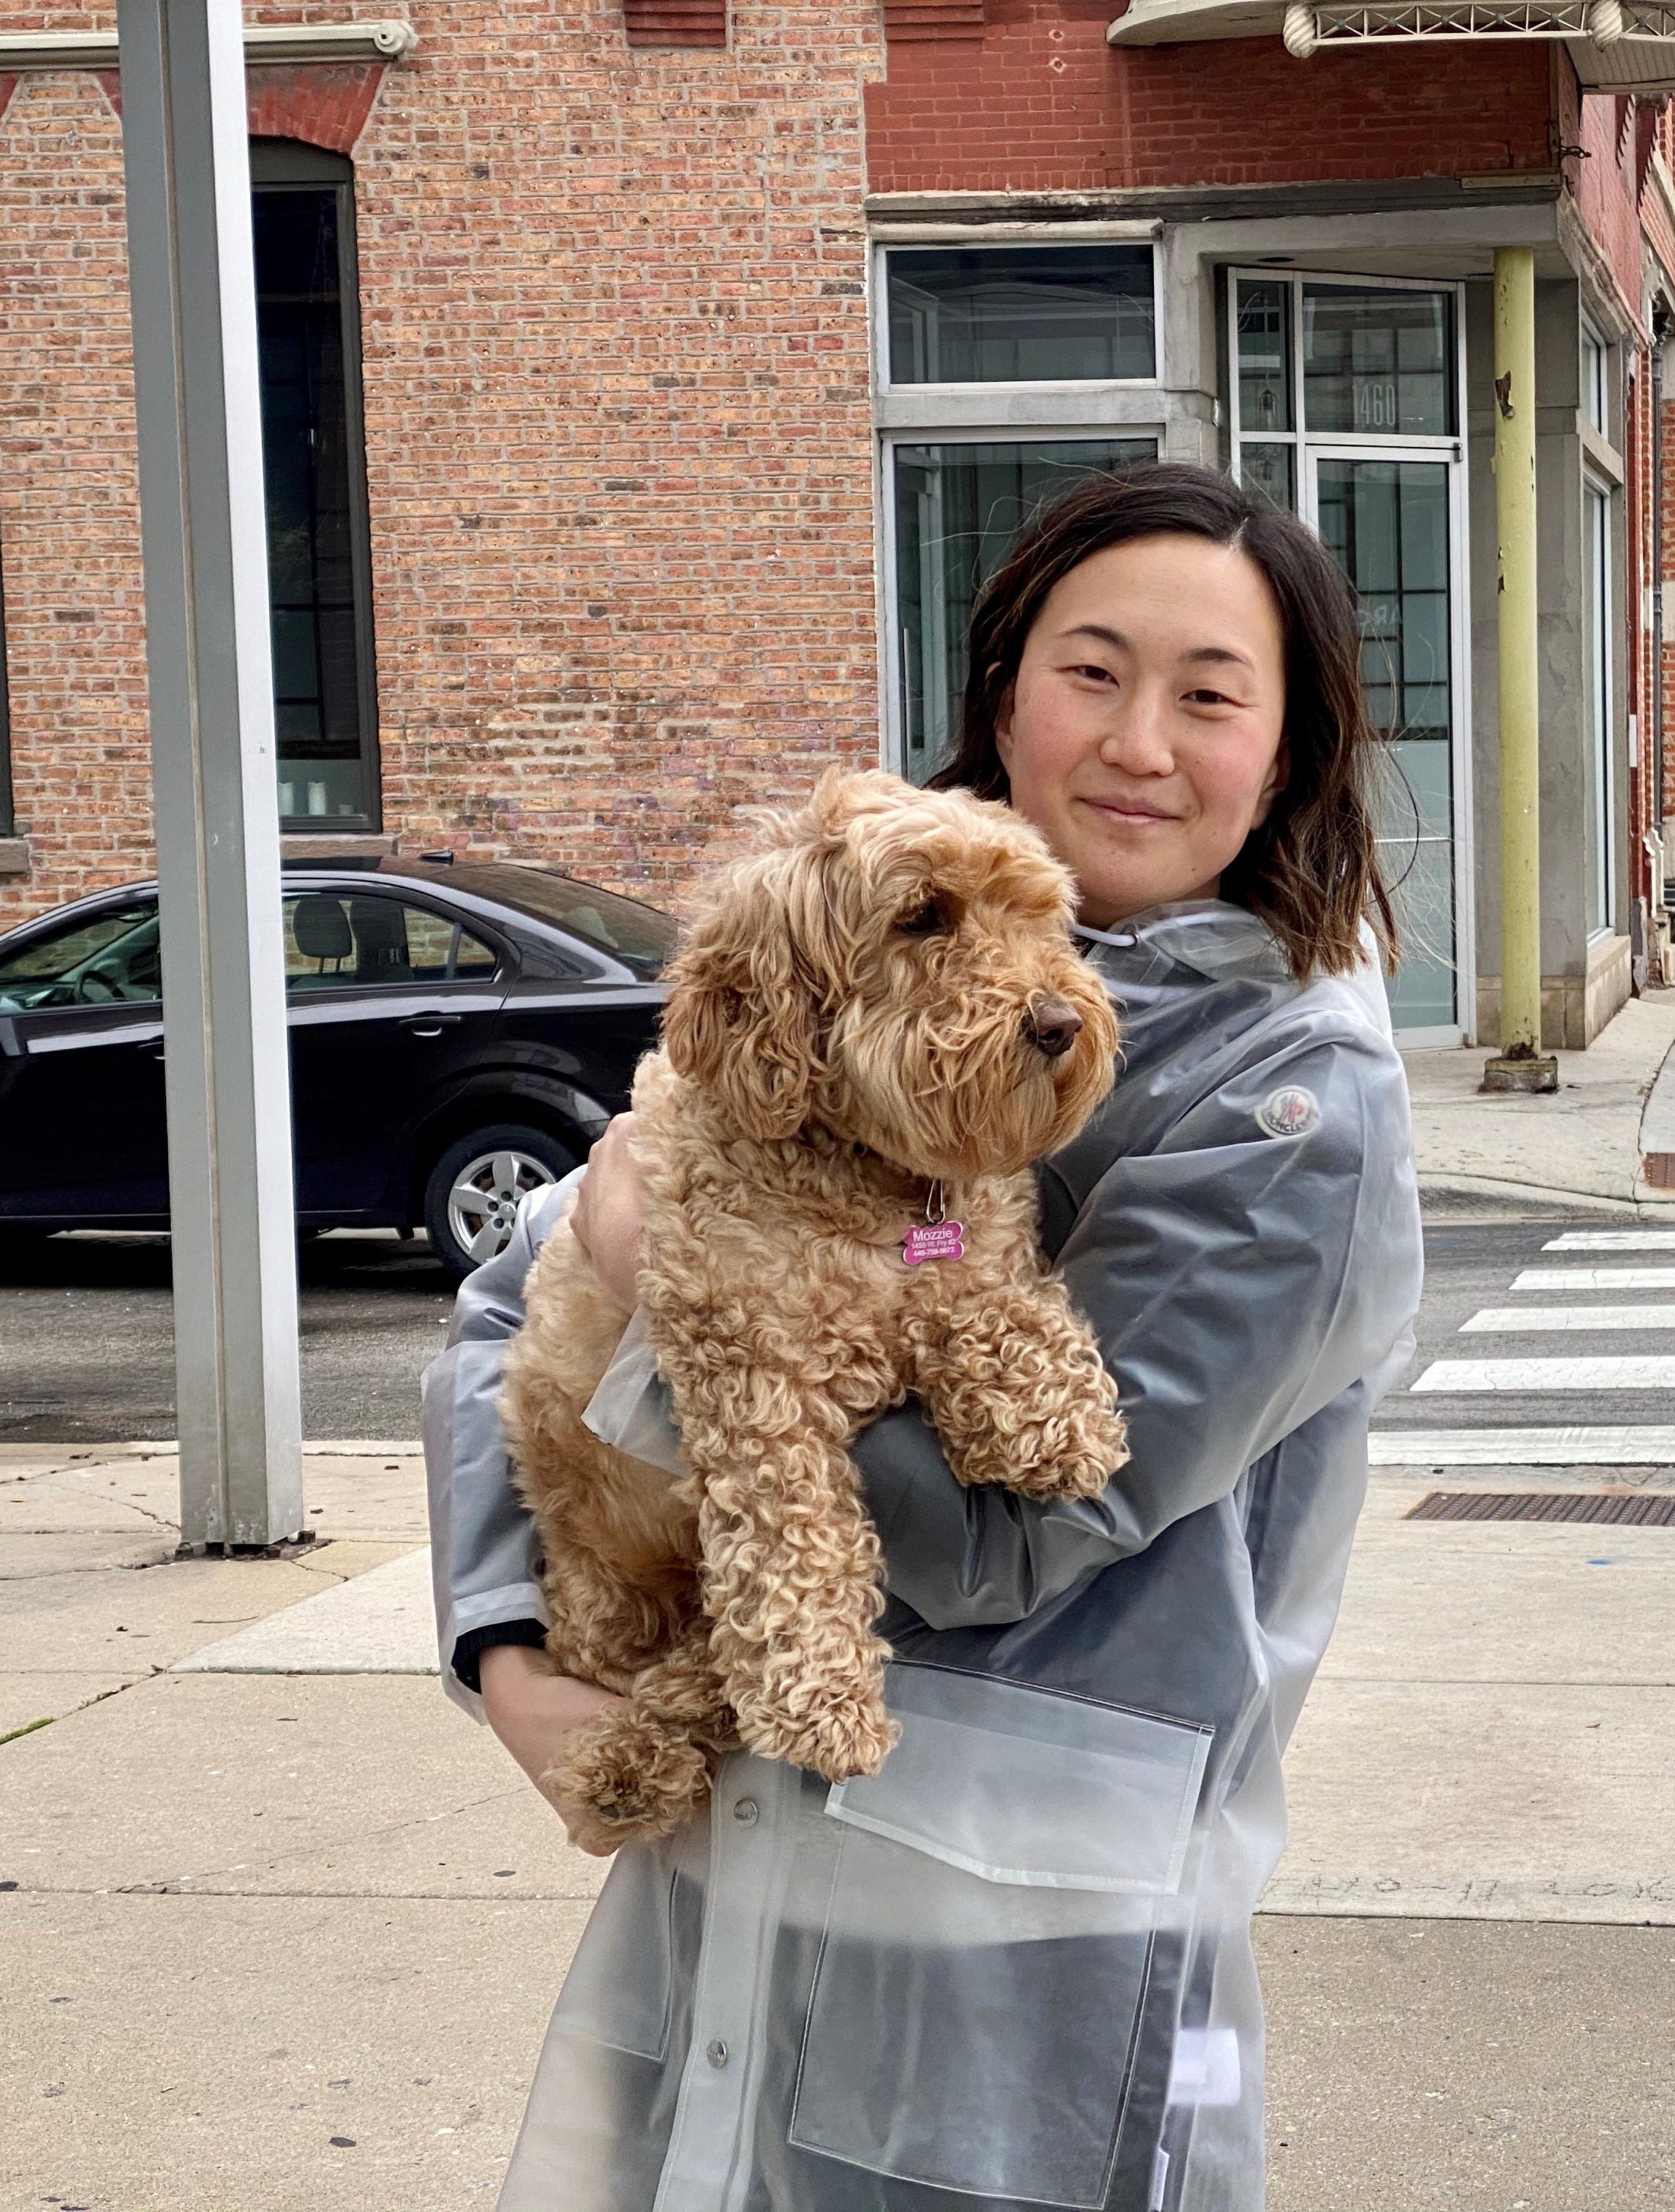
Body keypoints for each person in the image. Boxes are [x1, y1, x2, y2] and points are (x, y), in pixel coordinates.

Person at [423, 462, 1426, 2212]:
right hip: (729, 1880)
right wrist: (512, 1649)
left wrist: (684, 1315)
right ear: (1006, 693)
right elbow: (513, 1306)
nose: (1137, 740)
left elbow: (1011, 1532)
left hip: (1017, 1944)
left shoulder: (1290, 1113)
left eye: (1209, 696)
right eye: (1091, 670)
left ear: (1287, 751)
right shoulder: (832, 959)